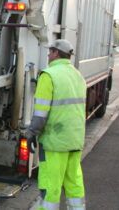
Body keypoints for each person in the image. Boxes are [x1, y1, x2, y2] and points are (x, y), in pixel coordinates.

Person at [26, 39, 86, 210]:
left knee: (50, 186)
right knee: (74, 182)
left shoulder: (48, 75)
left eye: (50, 51)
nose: (48, 54)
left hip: (54, 142)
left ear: (56, 53)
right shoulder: (77, 75)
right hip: (74, 139)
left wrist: (32, 133)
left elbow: (40, 114)